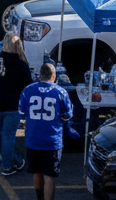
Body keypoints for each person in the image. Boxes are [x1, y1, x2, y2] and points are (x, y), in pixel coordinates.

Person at [19, 63, 75, 200]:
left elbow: (21, 113)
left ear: (40, 75)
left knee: (36, 172)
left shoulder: (28, 90)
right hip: (52, 140)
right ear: (54, 76)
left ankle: (39, 198)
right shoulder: (60, 92)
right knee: (49, 176)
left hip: (33, 138)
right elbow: (67, 115)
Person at [0, 33, 31, 176]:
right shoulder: (22, 65)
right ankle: (7, 166)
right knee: (9, 136)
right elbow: (28, 85)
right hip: (12, 106)